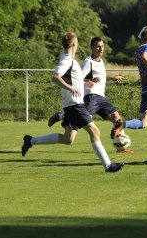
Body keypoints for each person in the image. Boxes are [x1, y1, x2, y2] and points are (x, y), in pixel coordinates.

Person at [21, 32, 124, 173]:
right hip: (75, 104)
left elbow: (74, 79)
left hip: (73, 104)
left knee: (68, 139)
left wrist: (86, 83)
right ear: (75, 44)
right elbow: (56, 77)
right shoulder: (67, 60)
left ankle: (31, 140)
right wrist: (70, 88)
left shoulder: (70, 60)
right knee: (95, 131)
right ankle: (108, 165)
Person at [47, 37, 130, 153]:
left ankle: (122, 145)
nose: (101, 49)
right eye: (98, 46)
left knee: (117, 119)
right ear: (92, 48)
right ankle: (61, 117)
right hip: (91, 97)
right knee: (83, 121)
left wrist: (112, 78)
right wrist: (87, 82)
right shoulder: (88, 62)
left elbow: (99, 77)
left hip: (101, 97)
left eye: (102, 46)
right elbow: (77, 77)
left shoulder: (100, 61)